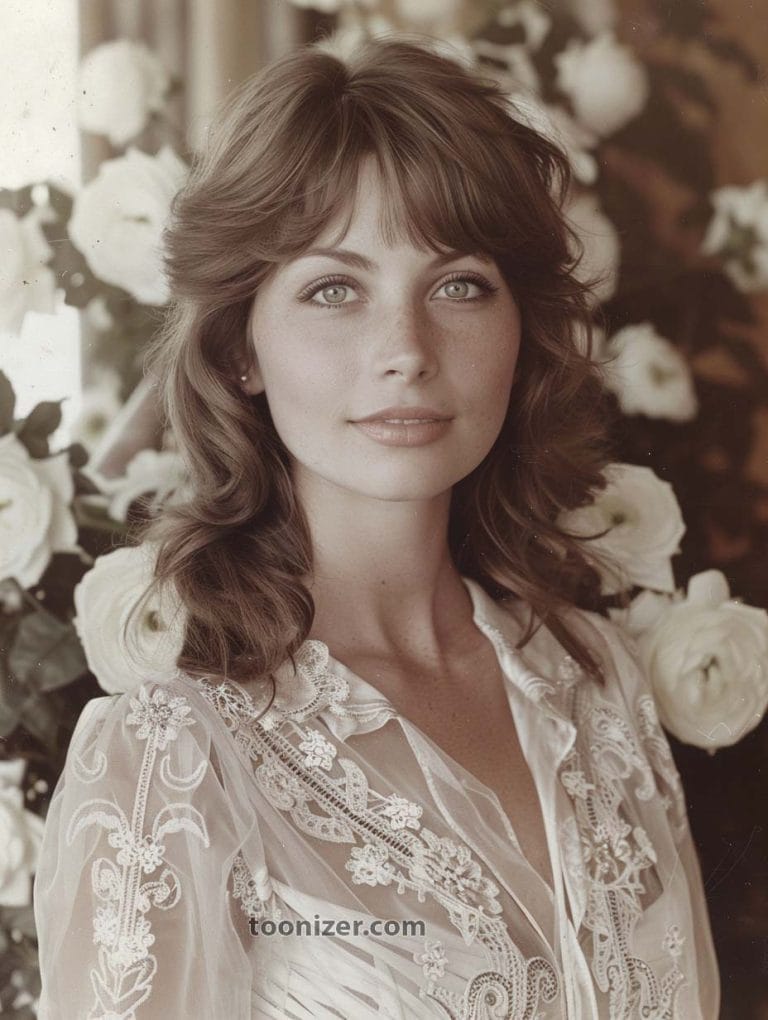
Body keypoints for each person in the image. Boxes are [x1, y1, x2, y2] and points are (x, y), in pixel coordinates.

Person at [33, 34, 720, 1020]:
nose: (405, 350)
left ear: (520, 329)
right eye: (333, 290)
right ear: (240, 353)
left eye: (458, 286)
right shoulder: (170, 757)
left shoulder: (594, 683)